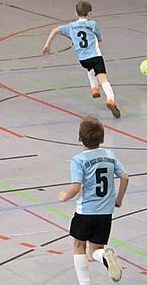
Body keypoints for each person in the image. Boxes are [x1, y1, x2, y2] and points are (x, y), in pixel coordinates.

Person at [58, 117, 129, 284]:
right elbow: (125, 177)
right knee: (96, 250)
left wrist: (64, 196)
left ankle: (85, 283)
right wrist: (118, 200)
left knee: (79, 246)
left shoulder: (79, 160)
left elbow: (76, 187)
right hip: (105, 213)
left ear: (80, 139)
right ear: (102, 139)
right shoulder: (110, 156)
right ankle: (105, 256)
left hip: (86, 212)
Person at [42, 1, 121, 118]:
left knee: (90, 69)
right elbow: (99, 38)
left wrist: (47, 44)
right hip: (95, 56)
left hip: (83, 60)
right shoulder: (92, 24)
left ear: (75, 12)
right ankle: (111, 100)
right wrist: (98, 39)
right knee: (103, 79)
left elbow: (55, 30)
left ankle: (94, 88)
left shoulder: (71, 27)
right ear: (89, 13)